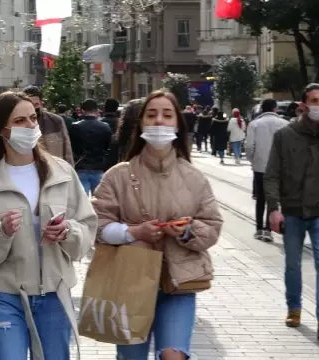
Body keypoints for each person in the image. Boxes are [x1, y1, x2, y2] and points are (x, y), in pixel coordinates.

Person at [0, 91, 97, 360]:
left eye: (33, 118)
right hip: (5, 297)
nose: (31, 126)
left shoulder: (62, 173)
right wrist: (1, 232)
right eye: (20, 120)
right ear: (2, 129)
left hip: (55, 295)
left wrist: (67, 231)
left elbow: (88, 228)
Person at [92, 90, 223, 360]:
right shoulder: (118, 176)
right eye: (151, 115)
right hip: (130, 281)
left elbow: (212, 226)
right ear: (141, 123)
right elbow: (95, 225)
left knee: (173, 355)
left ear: (177, 123)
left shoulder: (194, 177)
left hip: (178, 282)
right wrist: (133, 233)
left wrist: (187, 230)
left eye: (167, 115)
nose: (159, 122)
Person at [265, 83, 319, 335]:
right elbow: (272, 174)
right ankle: (294, 308)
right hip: (293, 210)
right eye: (315, 101)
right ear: (303, 106)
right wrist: (274, 209)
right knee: (293, 265)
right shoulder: (285, 136)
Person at [245, 98, 288, 242]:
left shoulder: (254, 124)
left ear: (262, 109)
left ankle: (259, 229)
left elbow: (249, 146)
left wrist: (253, 160)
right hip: (279, 168)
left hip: (260, 167)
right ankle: (270, 228)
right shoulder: (285, 124)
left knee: (261, 198)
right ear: (276, 108)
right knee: (273, 199)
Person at [68, 99, 112, 195]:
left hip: (81, 166)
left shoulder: (75, 127)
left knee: (82, 202)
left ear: (82, 111)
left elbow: (71, 146)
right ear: (97, 111)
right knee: (99, 201)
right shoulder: (105, 127)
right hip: (98, 166)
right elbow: (107, 146)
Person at [23, 86, 74, 164]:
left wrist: (69, 170)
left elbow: (67, 150)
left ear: (41, 103)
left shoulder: (56, 121)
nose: (33, 108)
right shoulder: (19, 123)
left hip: (54, 168)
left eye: (36, 104)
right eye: (30, 104)